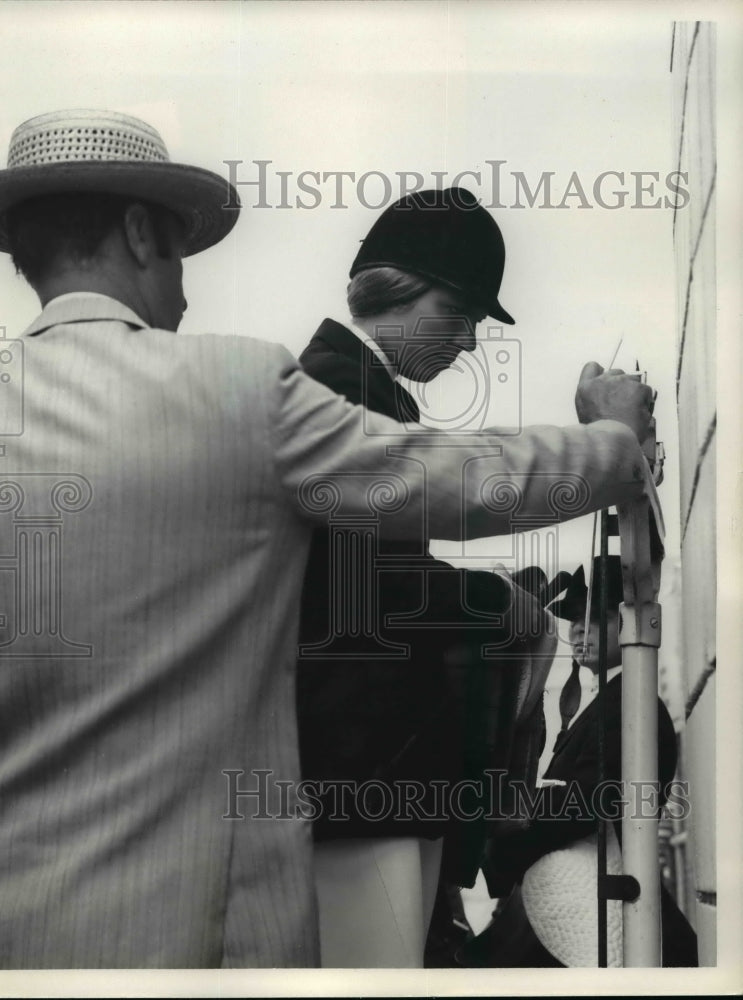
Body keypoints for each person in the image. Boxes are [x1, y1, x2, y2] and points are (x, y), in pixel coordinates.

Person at [0, 108, 656, 969]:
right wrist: (614, 445)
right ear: (141, 234)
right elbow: (466, 481)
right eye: (181, 251)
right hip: (211, 916)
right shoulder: (238, 388)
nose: (184, 288)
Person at [296, 188, 559, 967]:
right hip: (358, 779)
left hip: (370, 779)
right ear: (395, 286)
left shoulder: (360, 391)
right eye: (464, 310)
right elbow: (367, 592)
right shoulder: (338, 394)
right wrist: (504, 606)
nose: (472, 341)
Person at [458, 556, 698, 967]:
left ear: (625, 626)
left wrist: (505, 822)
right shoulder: (607, 697)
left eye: (596, 619)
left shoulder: (629, 701)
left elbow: (588, 802)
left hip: (596, 893)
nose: (579, 630)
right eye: (574, 621)